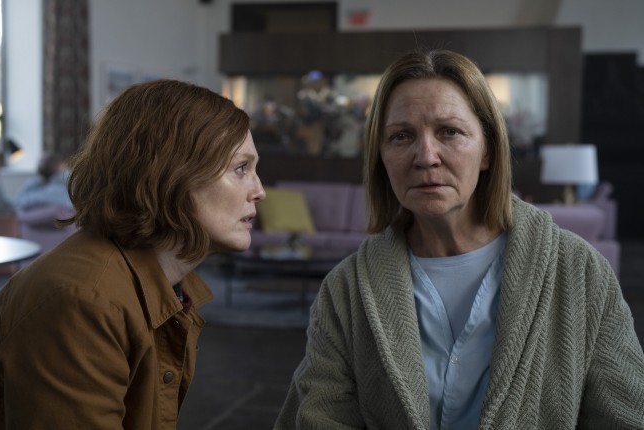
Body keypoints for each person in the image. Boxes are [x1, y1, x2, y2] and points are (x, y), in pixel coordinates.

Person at [275, 49, 644, 429]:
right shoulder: (347, 290)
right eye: (401, 136)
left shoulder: (579, 272)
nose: (426, 156)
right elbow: (319, 418)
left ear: (487, 150)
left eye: (449, 131)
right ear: (381, 157)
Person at [0, 79, 266, 428]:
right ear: (171, 173)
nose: (259, 191)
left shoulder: (172, 286)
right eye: (241, 168)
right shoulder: (81, 301)